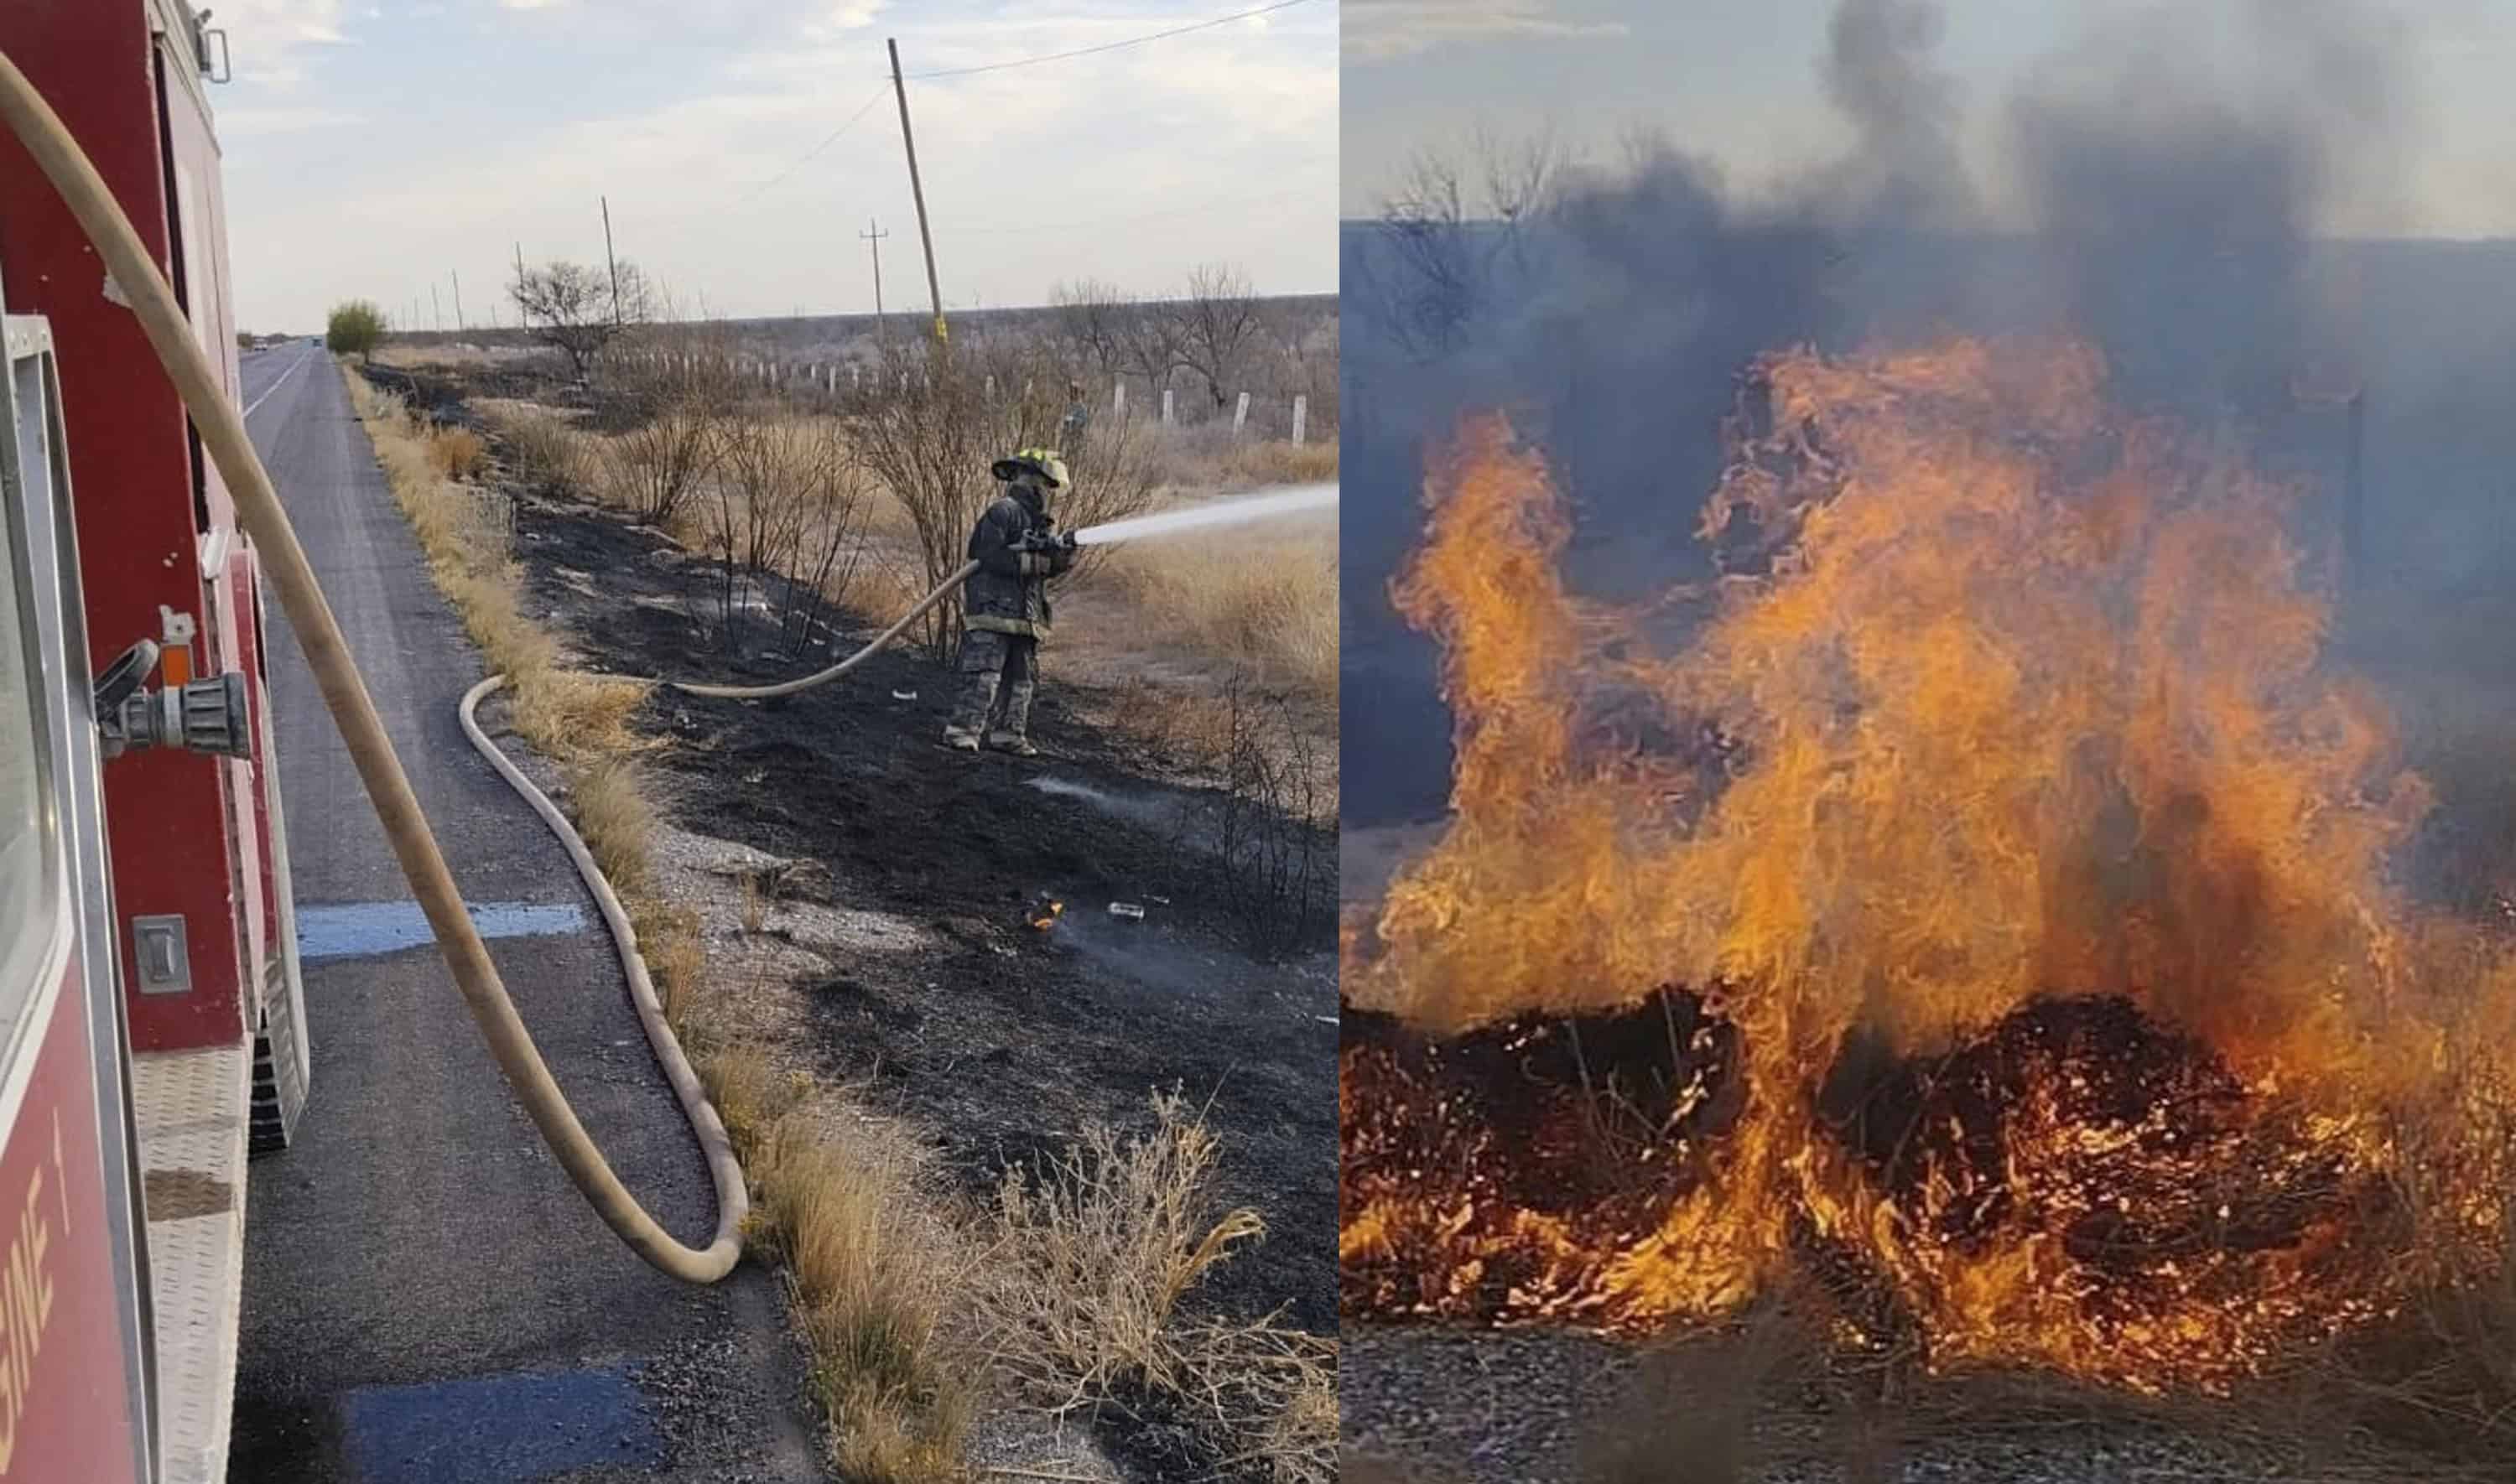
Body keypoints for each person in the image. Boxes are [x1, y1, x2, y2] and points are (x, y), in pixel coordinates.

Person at [944, 448, 1075, 756]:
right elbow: (985, 554)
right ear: (1029, 480)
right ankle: (962, 732)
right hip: (993, 610)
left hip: (1025, 616)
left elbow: (1050, 567)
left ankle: (1008, 735)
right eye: (1045, 484)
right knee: (984, 675)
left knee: (1021, 681)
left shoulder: (1042, 524)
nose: (1047, 492)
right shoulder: (1004, 511)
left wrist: (1064, 552)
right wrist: (1033, 563)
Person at [1060, 381, 1091, 457]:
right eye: (1071, 391)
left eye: (1074, 391)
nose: (1072, 394)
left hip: (1077, 438)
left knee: (1075, 455)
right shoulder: (1068, 405)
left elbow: (1084, 421)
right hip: (1067, 438)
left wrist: (1073, 420)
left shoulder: (1081, 407)